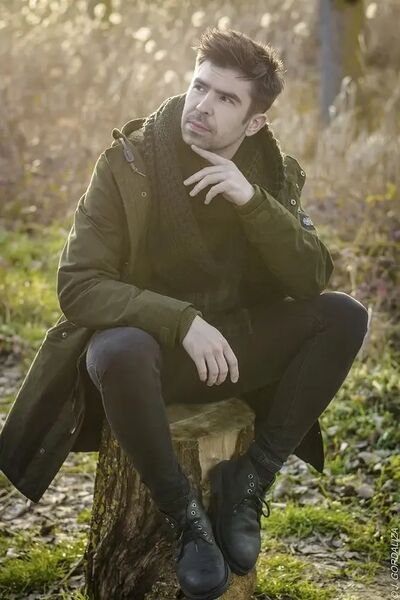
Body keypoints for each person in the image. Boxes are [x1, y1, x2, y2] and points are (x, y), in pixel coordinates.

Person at [0, 28, 369, 600]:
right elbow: (78, 284)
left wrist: (253, 203)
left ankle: (250, 481)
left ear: (255, 122)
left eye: (226, 98)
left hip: (234, 350)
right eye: (200, 86)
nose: (203, 105)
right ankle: (186, 518)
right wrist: (182, 321)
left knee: (343, 316)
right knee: (118, 348)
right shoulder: (127, 163)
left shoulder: (270, 172)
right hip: (148, 355)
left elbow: (311, 279)